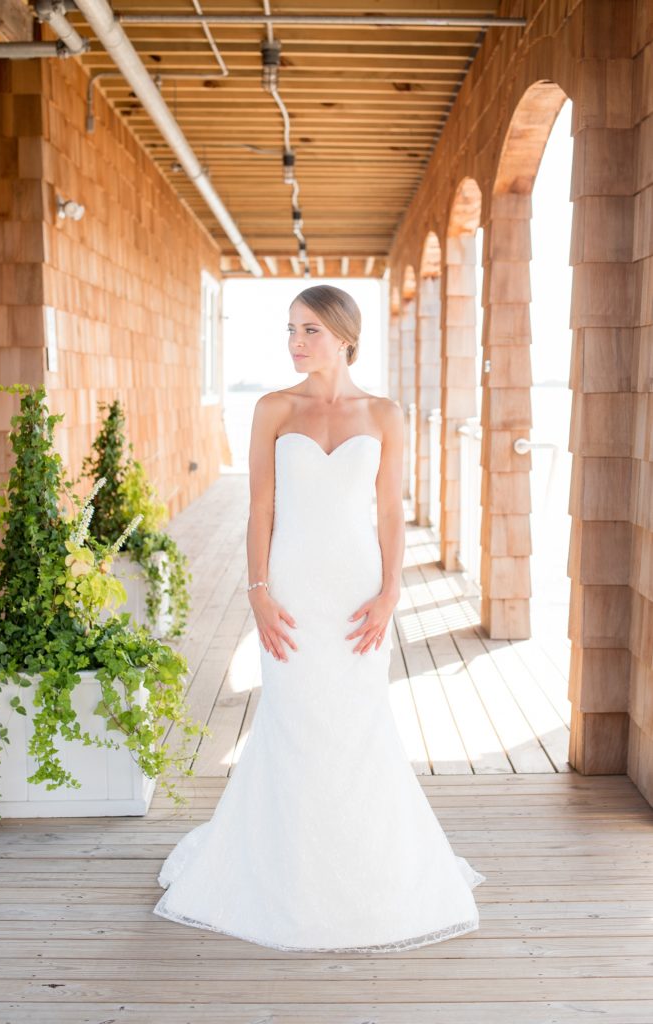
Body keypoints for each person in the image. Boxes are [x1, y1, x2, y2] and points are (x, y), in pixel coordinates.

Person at [153, 284, 486, 950]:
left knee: (359, 723)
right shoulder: (274, 409)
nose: (295, 343)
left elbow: (389, 511)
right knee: (293, 719)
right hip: (294, 588)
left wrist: (392, 591)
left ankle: (369, 867)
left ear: (345, 336)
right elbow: (261, 510)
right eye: (290, 330)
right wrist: (259, 591)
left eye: (309, 331)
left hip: (358, 588)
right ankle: (286, 871)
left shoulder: (384, 414)